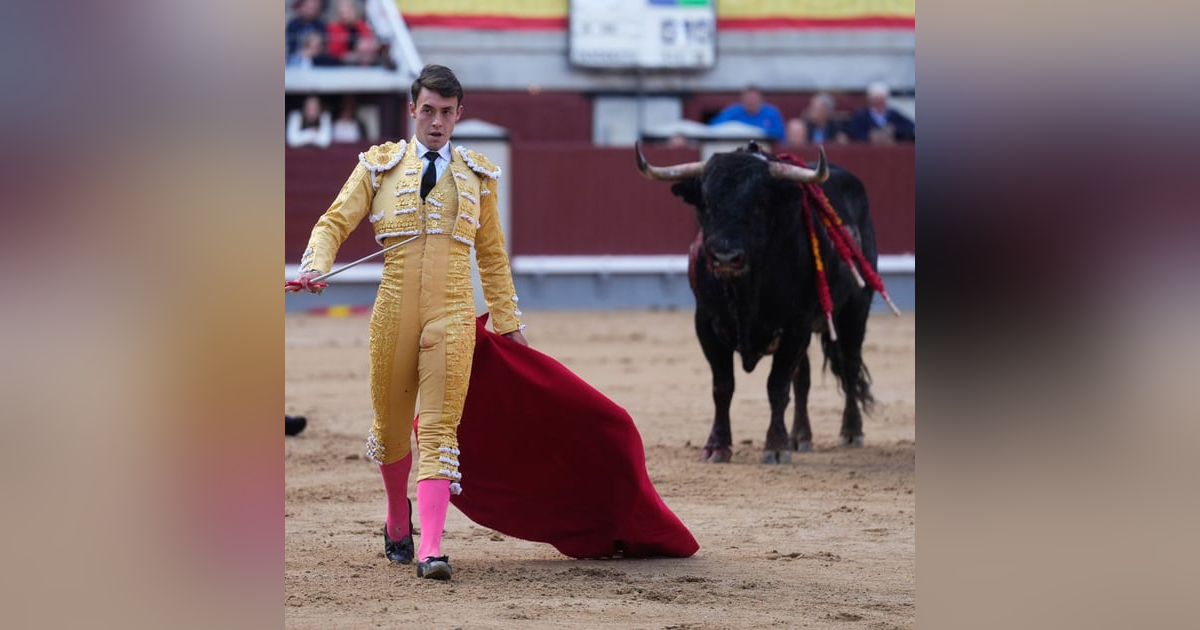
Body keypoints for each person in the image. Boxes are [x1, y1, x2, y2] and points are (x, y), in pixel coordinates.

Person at [290, 64, 528, 581]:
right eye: (428, 111)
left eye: (446, 112)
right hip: (394, 309)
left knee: (441, 429)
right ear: (412, 110)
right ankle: (399, 518)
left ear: (459, 114)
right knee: (393, 428)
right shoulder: (380, 167)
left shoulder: (477, 175)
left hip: (453, 309)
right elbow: (335, 221)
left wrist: (508, 322)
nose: (437, 121)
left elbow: (492, 255)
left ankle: (433, 549)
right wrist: (315, 266)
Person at [707, 85, 786, 142]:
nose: (751, 102)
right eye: (748, 98)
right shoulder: (733, 112)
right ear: (742, 99)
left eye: (754, 98)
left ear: (761, 99)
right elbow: (713, 127)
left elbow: (780, 134)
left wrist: (760, 132)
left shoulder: (771, 113)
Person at [849, 81, 915, 144]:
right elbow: (854, 133)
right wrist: (870, 136)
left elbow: (910, 127)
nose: (878, 102)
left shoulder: (894, 115)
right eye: (876, 99)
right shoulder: (861, 116)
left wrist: (893, 129)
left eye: (881, 99)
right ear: (870, 100)